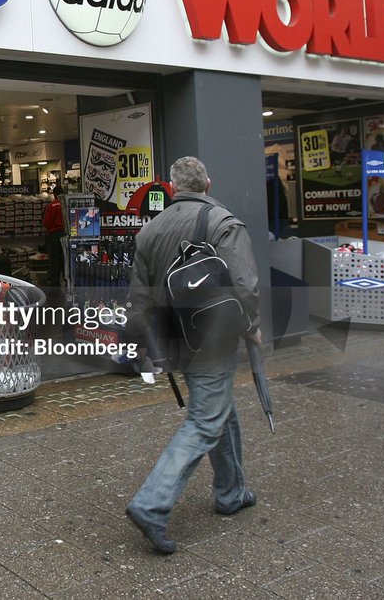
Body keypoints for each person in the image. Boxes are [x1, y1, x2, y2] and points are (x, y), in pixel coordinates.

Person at [122, 157, 261, 555]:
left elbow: (139, 298)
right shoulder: (222, 222)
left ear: (171, 187)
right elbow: (244, 283)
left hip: (175, 339)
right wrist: (252, 325)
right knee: (205, 420)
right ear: (208, 182)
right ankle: (151, 504)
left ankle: (231, 492)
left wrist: (147, 344)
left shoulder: (148, 231)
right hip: (212, 338)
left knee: (220, 410)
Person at [42, 187, 66, 289]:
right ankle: (67, 279)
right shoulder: (66, 205)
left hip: (54, 235)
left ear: (54, 194)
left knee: (54, 259)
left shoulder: (51, 206)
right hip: (65, 234)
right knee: (65, 258)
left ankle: (55, 282)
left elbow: (46, 222)